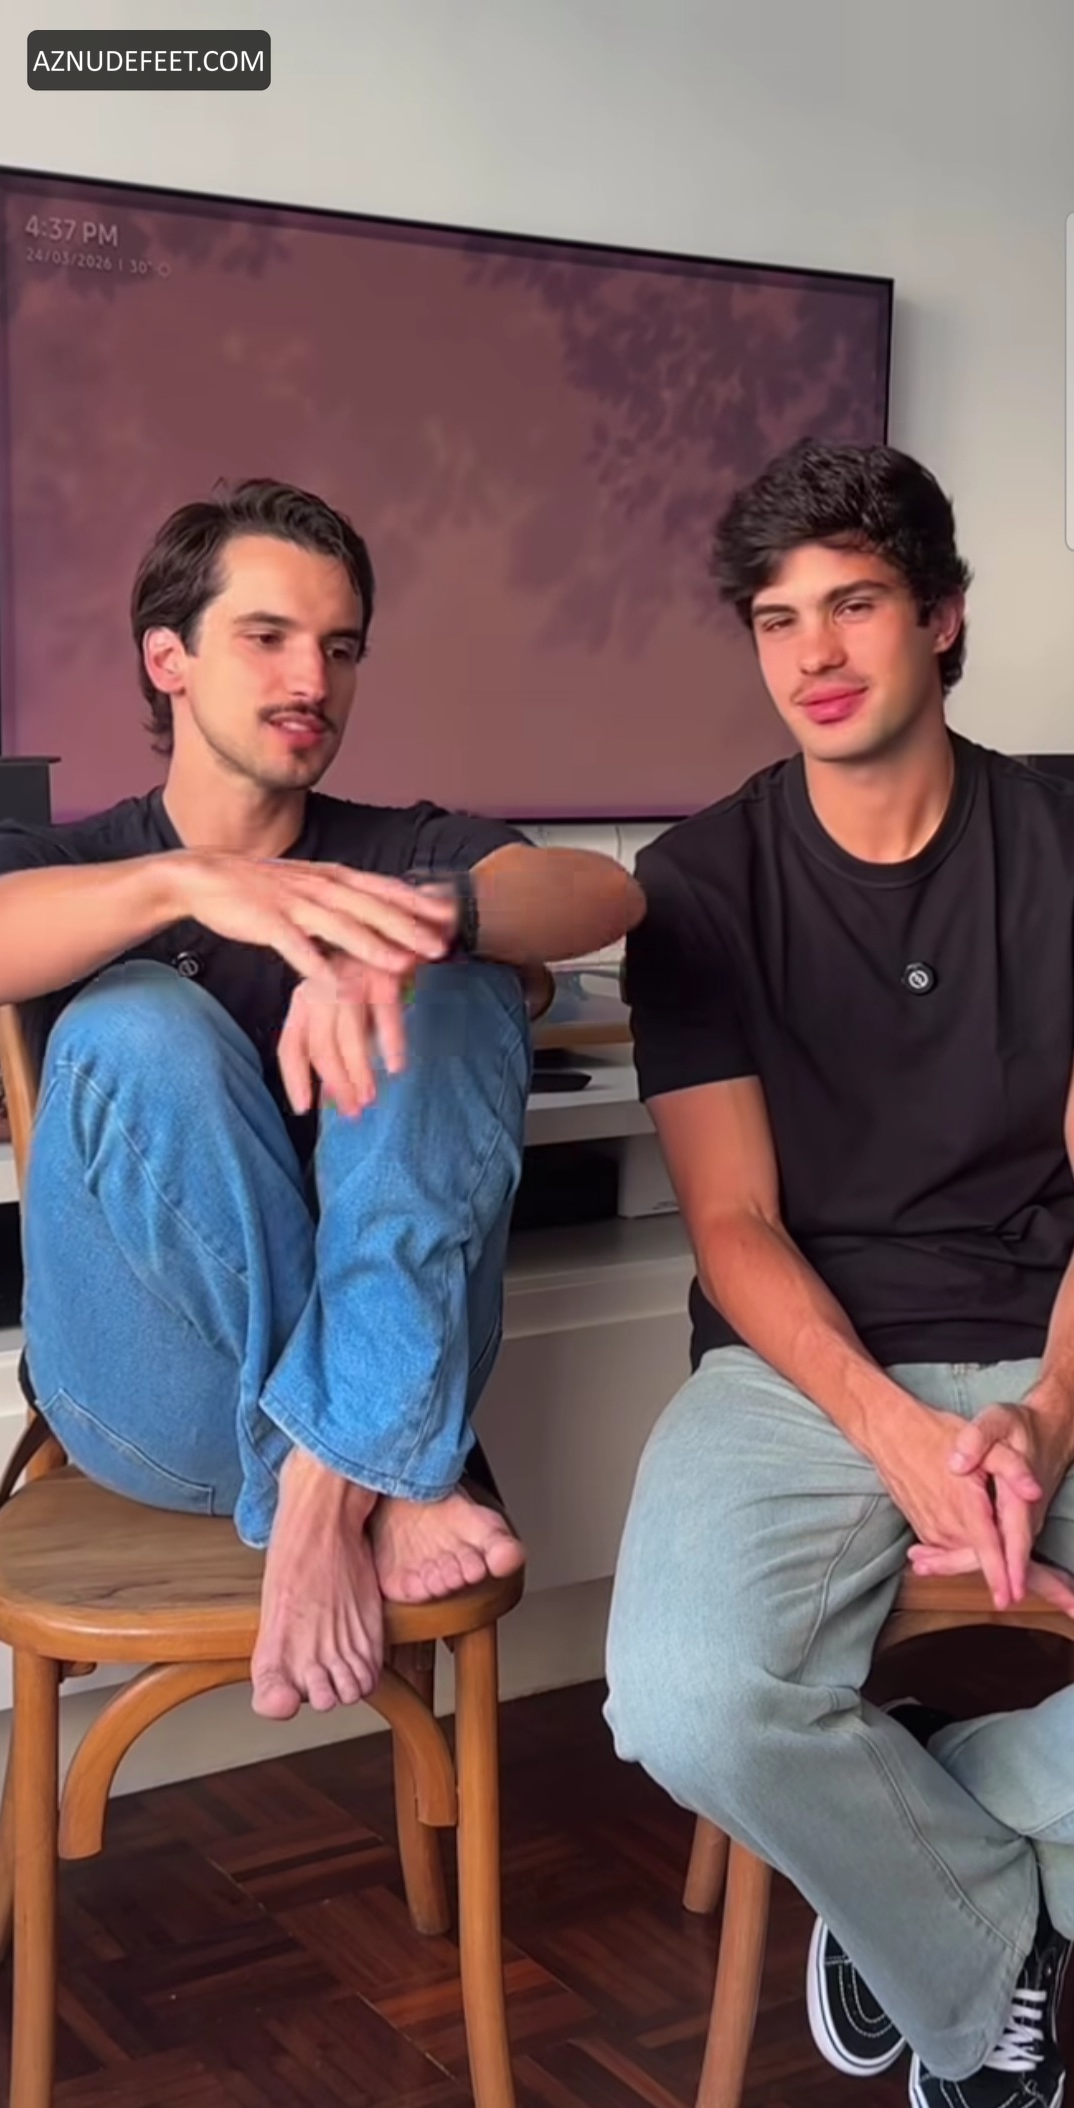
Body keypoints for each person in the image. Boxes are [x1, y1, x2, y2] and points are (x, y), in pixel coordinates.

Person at [0, 475, 645, 1725]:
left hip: (383, 1373)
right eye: (268, 636)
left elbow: (603, 896)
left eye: (341, 647)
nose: (314, 678)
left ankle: (319, 1486)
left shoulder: (392, 846)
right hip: (147, 1398)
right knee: (137, 1019)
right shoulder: (77, 859)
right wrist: (181, 884)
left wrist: (407, 927)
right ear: (169, 659)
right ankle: (377, 1467)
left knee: (457, 981)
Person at [603, 436, 1074, 2108]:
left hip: (1051, 1334)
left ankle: (933, 1815)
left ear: (941, 618)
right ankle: (983, 1935)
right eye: (778, 617)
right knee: (682, 1701)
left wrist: (1048, 1416)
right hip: (799, 1368)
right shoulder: (698, 884)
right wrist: (890, 1428)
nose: (814, 651)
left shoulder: (1068, 834)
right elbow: (734, 1221)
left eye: (855, 603)